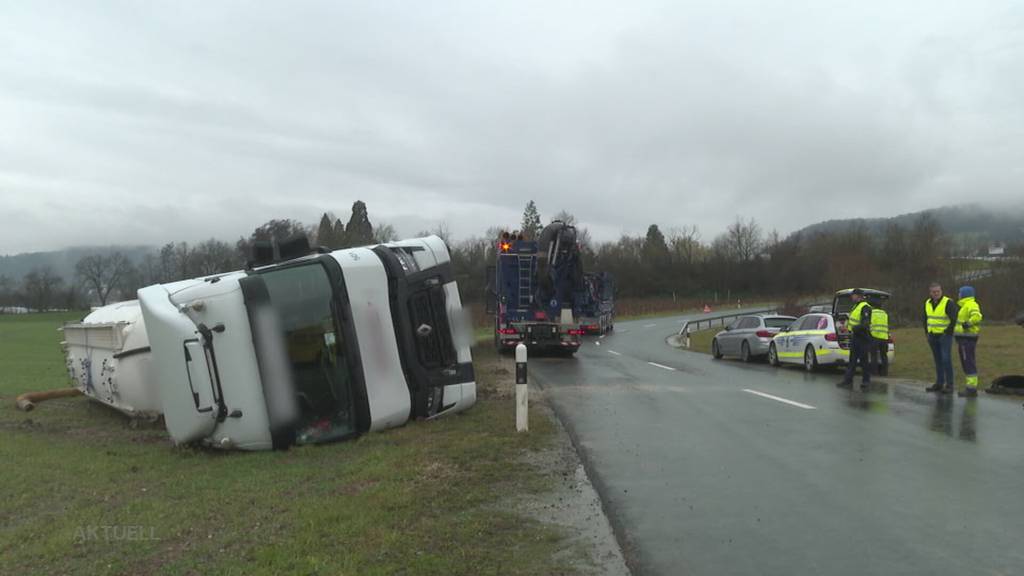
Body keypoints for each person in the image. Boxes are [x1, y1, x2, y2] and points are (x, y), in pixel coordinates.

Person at [924, 283, 958, 394]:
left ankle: (949, 384)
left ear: (941, 291)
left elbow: (954, 319)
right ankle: (939, 383)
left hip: (944, 336)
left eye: (938, 291)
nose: (936, 293)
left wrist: (947, 332)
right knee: (937, 360)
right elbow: (925, 319)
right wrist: (927, 333)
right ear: (930, 293)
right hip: (932, 335)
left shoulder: (948, 302)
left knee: (946, 359)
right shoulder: (927, 303)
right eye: (934, 292)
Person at [838, 289, 873, 391]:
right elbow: (853, 321)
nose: (851, 297)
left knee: (864, 361)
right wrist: (847, 328)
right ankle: (848, 380)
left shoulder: (865, 307)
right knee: (852, 361)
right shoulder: (855, 307)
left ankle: (866, 381)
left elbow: (865, 324)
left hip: (863, 337)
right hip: (855, 337)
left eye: (853, 295)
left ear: (859, 296)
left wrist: (850, 328)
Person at [954, 286, 983, 398]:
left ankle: (971, 388)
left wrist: (968, 324)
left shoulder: (971, 304)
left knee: (968, 362)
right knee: (966, 362)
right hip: (963, 339)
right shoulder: (965, 305)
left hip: (967, 339)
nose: (958, 295)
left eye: (960, 293)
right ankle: (970, 387)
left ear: (964, 294)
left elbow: (977, 316)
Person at [869, 303, 890, 376]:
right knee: (884, 355)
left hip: (874, 336)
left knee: (874, 355)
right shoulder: (885, 314)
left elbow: (869, 324)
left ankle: (874, 372)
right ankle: (885, 372)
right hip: (884, 337)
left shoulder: (872, 313)